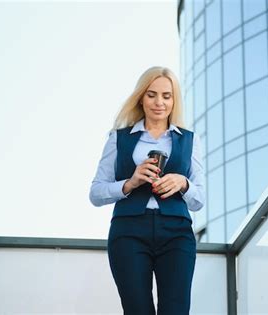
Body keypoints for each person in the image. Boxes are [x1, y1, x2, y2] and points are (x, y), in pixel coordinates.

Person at [89, 66, 205, 314]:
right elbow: (96, 193)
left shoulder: (190, 139)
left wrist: (182, 183)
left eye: (167, 95)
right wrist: (130, 183)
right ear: (141, 97)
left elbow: (199, 200)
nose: (159, 102)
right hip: (129, 231)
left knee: (176, 310)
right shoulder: (118, 138)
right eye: (151, 94)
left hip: (177, 233)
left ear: (174, 100)